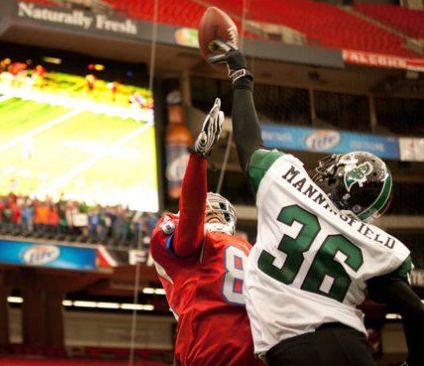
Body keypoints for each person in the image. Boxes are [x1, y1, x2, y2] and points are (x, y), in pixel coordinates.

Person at [206, 19, 423, 366]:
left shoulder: (286, 182)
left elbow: (248, 141)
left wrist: (241, 76)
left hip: (293, 349)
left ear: (339, 179)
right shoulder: (374, 243)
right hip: (351, 346)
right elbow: (414, 309)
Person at [149, 99, 263, 366]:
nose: (210, 211)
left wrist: (198, 158)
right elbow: (189, 220)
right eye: (206, 207)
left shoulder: (251, 249)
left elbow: (190, 219)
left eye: (216, 209)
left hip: (222, 346)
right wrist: (197, 159)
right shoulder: (251, 250)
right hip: (231, 346)